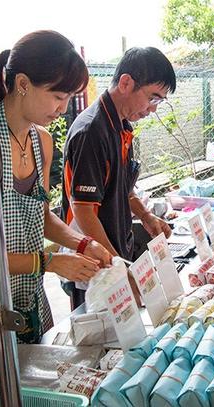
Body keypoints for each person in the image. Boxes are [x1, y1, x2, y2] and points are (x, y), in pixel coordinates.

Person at [0, 30, 111, 358]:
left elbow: (38, 211)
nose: (63, 108)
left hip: (29, 291)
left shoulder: (41, 141)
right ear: (22, 83)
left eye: (69, 98)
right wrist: (50, 262)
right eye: (58, 96)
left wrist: (84, 243)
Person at [61, 47, 176, 308]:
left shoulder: (122, 127)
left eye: (160, 101)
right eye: (152, 98)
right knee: (100, 336)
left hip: (114, 254)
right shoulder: (92, 130)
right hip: (93, 265)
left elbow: (125, 189)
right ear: (126, 83)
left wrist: (146, 217)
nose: (153, 109)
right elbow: (83, 211)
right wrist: (116, 268)